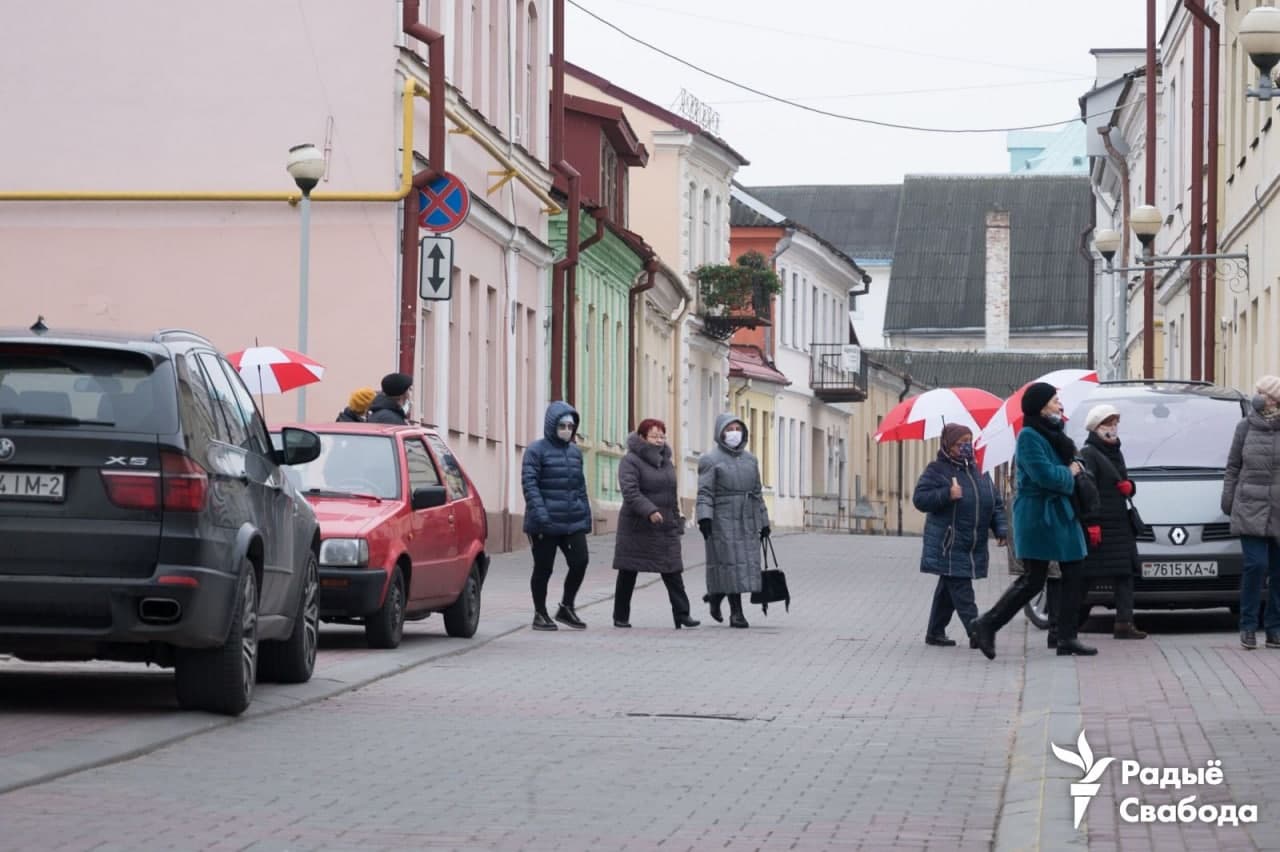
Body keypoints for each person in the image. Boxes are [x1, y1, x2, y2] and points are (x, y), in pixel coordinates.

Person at [971, 382, 1096, 659]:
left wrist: (1075, 466)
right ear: (1041, 407)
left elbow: (1070, 463)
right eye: (1054, 401)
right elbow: (1045, 476)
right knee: (1034, 579)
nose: (1060, 406)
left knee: (1075, 572)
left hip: (1061, 515)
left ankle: (1066, 637)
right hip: (1040, 516)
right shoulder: (1028, 436)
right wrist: (1071, 472)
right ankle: (987, 624)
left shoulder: (1056, 435)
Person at [912, 423, 1008, 648]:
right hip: (949, 541)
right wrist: (947, 493)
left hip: (973, 542)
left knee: (949, 585)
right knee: (961, 588)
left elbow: (994, 503)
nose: (965, 447)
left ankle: (935, 632)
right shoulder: (937, 470)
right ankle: (977, 632)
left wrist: (1001, 529)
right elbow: (920, 499)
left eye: (969, 442)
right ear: (947, 445)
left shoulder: (979, 471)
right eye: (960, 443)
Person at [611, 419, 699, 629]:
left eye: (662, 436)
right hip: (637, 526)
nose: (659, 440)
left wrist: (677, 519)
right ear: (642, 437)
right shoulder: (630, 461)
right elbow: (630, 491)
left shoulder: (666, 461)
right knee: (628, 570)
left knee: (672, 570)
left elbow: (671, 493)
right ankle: (620, 616)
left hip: (665, 525)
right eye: (654, 436)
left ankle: (682, 614)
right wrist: (649, 511)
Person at [1078, 404, 1148, 641]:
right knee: (1087, 576)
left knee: (1124, 574)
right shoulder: (1088, 453)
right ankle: (1069, 623)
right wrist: (1092, 523)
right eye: (1108, 423)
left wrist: (1131, 487)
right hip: (1101, 523)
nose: (1113, 428)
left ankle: (1124, 623)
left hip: (1119, 523)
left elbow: (1123, 481)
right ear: (1096, 428)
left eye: (1115, 423)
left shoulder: (1115, 451)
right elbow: (1086, 491)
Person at [522, 400, 593, 631]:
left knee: (580, 561)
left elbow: (580, 487)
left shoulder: (574, 453)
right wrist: (540, 515)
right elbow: (530, 485)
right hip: (544, 522)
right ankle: (540, 613)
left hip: (572, 521)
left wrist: (585, 516)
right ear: (552, 425)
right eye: (562, 425)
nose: (566, 430)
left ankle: (566, 606)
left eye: (570, 426)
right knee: (544, 568)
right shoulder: (536, 450)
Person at [1221, 375, 1280, 650]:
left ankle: (1274, 628)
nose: (1259, 397)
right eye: (1258, 392)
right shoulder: (1244, 427)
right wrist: (1229, 499)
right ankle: (1247, 626)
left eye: (1264, 394)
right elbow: (1233, 466)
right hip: (1250, 507)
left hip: (1278, 509)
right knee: (1256, 566)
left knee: (1278, 573)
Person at [697, 414, 770, 629]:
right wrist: (704, 518)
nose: (734, 433)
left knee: (744, 565)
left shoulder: (751, 460)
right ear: (720, 432)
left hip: (747, 518)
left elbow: (757, 492)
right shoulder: (710, 460)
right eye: (729, 428)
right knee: (730, 563)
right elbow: (704, 492)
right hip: (722, 519)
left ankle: (716, 595)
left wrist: (764, 521)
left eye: (738, 428)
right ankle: (736, 613)